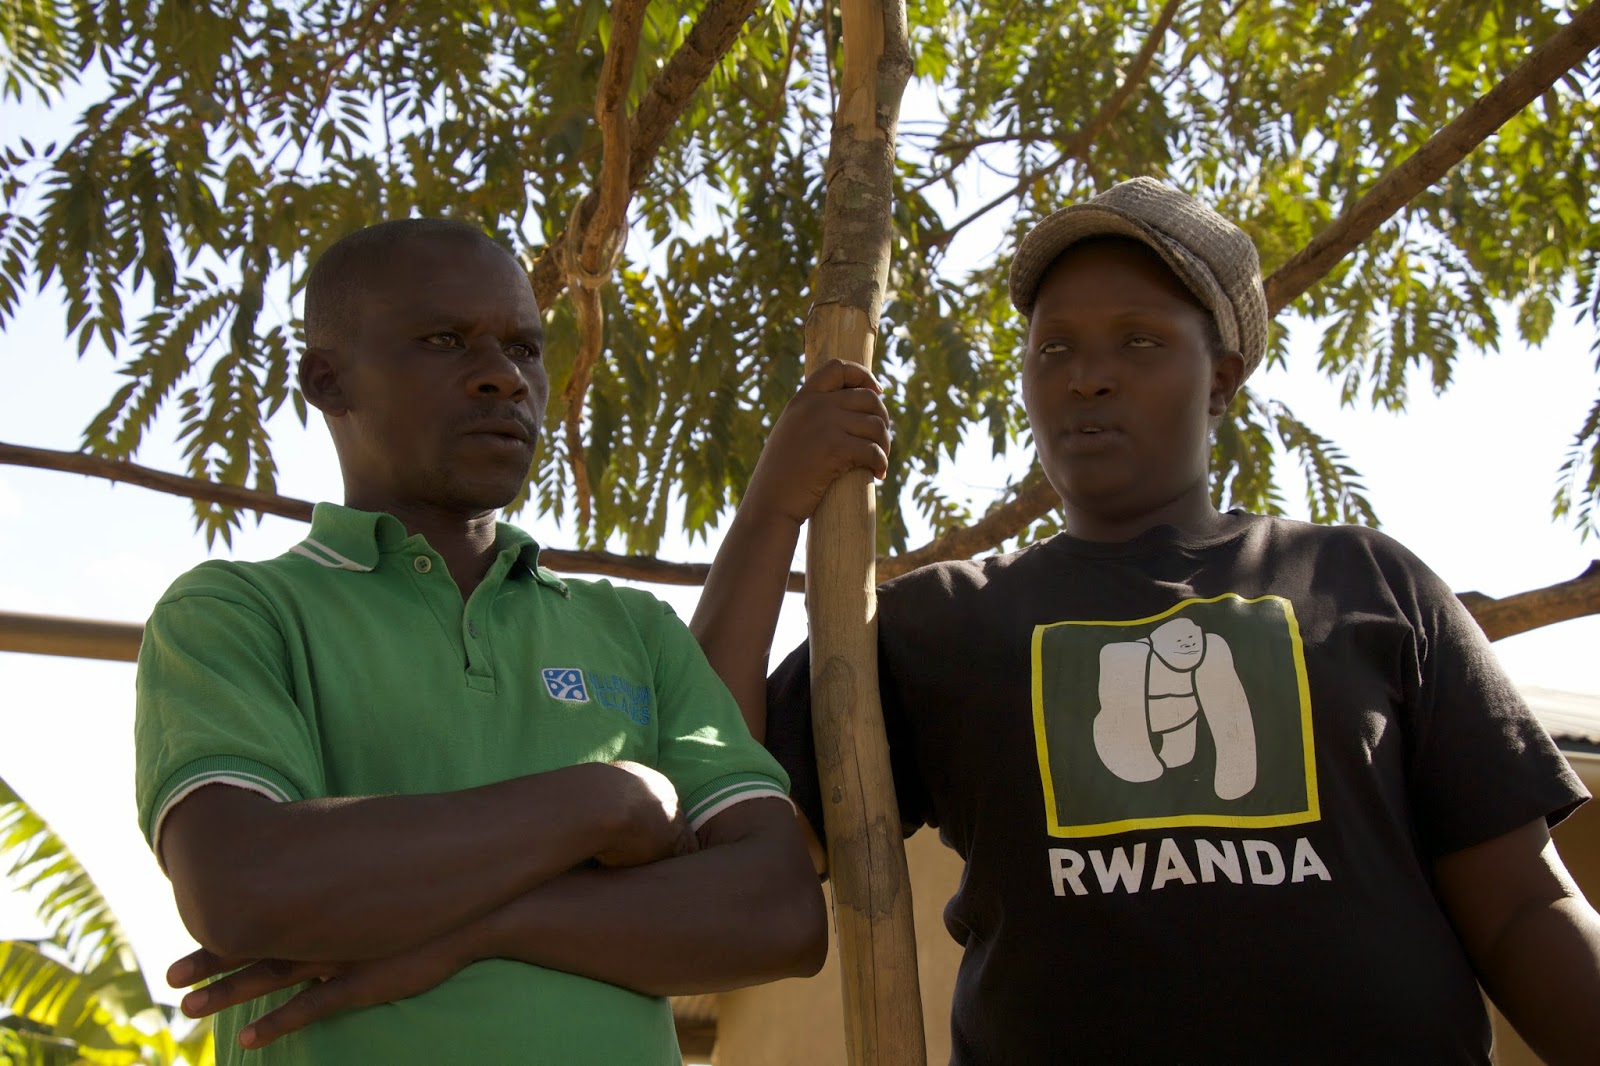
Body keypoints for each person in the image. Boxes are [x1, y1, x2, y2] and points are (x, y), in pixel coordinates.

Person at [696, 178, 1600, 1063]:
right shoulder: (937, 623)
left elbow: (1522, 906)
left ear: (1222, 382)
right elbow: (720, 809)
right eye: (1055, 350)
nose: (1089, 378)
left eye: (1139, 341)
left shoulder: (1366, 581)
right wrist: (772, 509)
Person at [133, 218, 836, 1065]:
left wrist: (485, 927)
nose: (503, 378)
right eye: (444, 341)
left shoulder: (632, 629)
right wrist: (606, 803)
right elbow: (244, 885)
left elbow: (780, 915)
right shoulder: (240, 613)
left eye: (525, 350)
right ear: (327, 380)